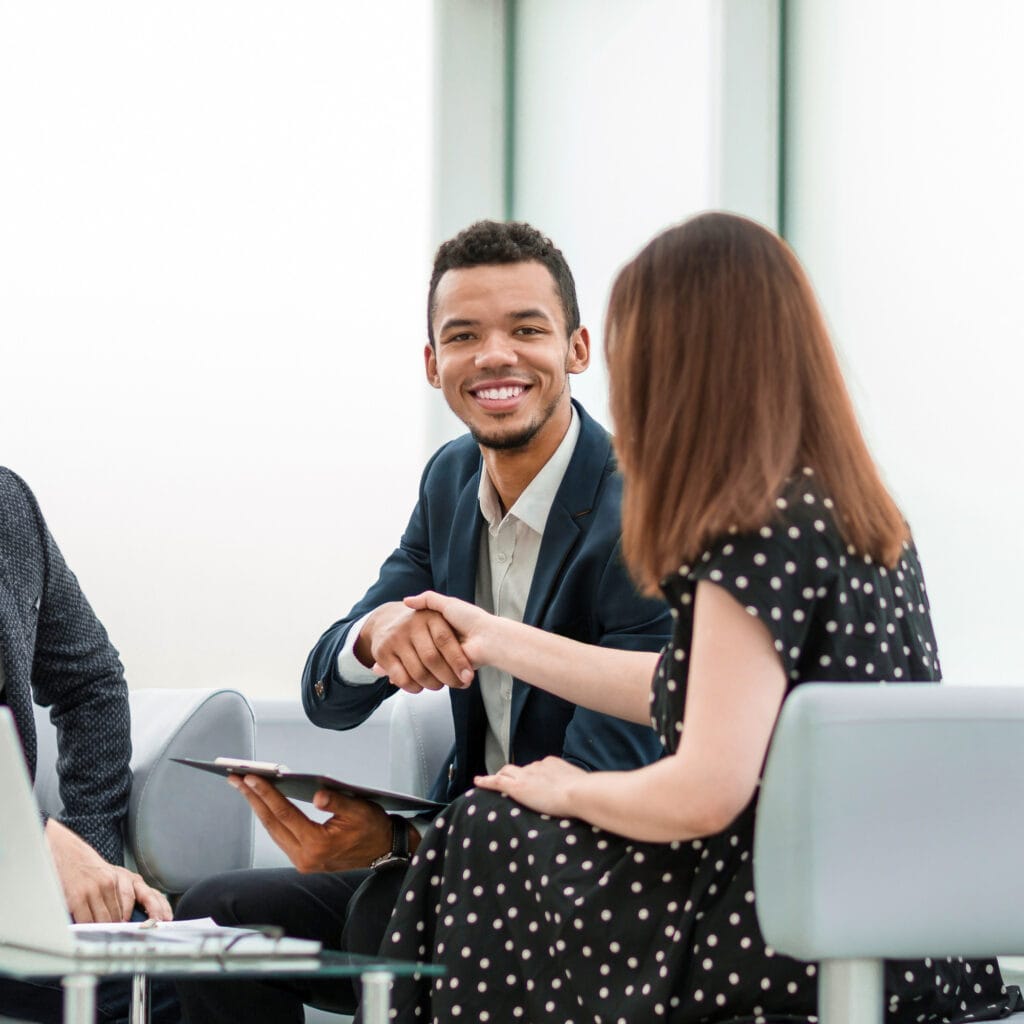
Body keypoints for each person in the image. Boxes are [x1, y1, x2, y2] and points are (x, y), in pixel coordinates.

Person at [372, 212, 1024, 1023]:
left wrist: (571, 792)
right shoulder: (850, 511)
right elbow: (700, 692)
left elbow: (704, 793)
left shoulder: (748, 532)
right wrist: (497, 636)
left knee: (486, 830)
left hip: (776, 924)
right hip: (903, 925)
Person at [174, 220, 671, 1022]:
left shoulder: (640, 506)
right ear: (433, 364)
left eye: (527, 330)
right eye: (464, 336)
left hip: (590, 881)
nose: (495, 356)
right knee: (218, 917)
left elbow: (601, 775)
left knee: (384, 915)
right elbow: (327, 694)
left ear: (578, 349)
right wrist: (375, 640)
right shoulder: (448, 482)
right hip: (459, 861)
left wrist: (403, 846)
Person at [0, 467, 174, 1023]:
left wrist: (90, 854)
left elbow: (90, 680)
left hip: (15, 895)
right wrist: (32, 841)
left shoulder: (8, 506)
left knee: (186, 975)